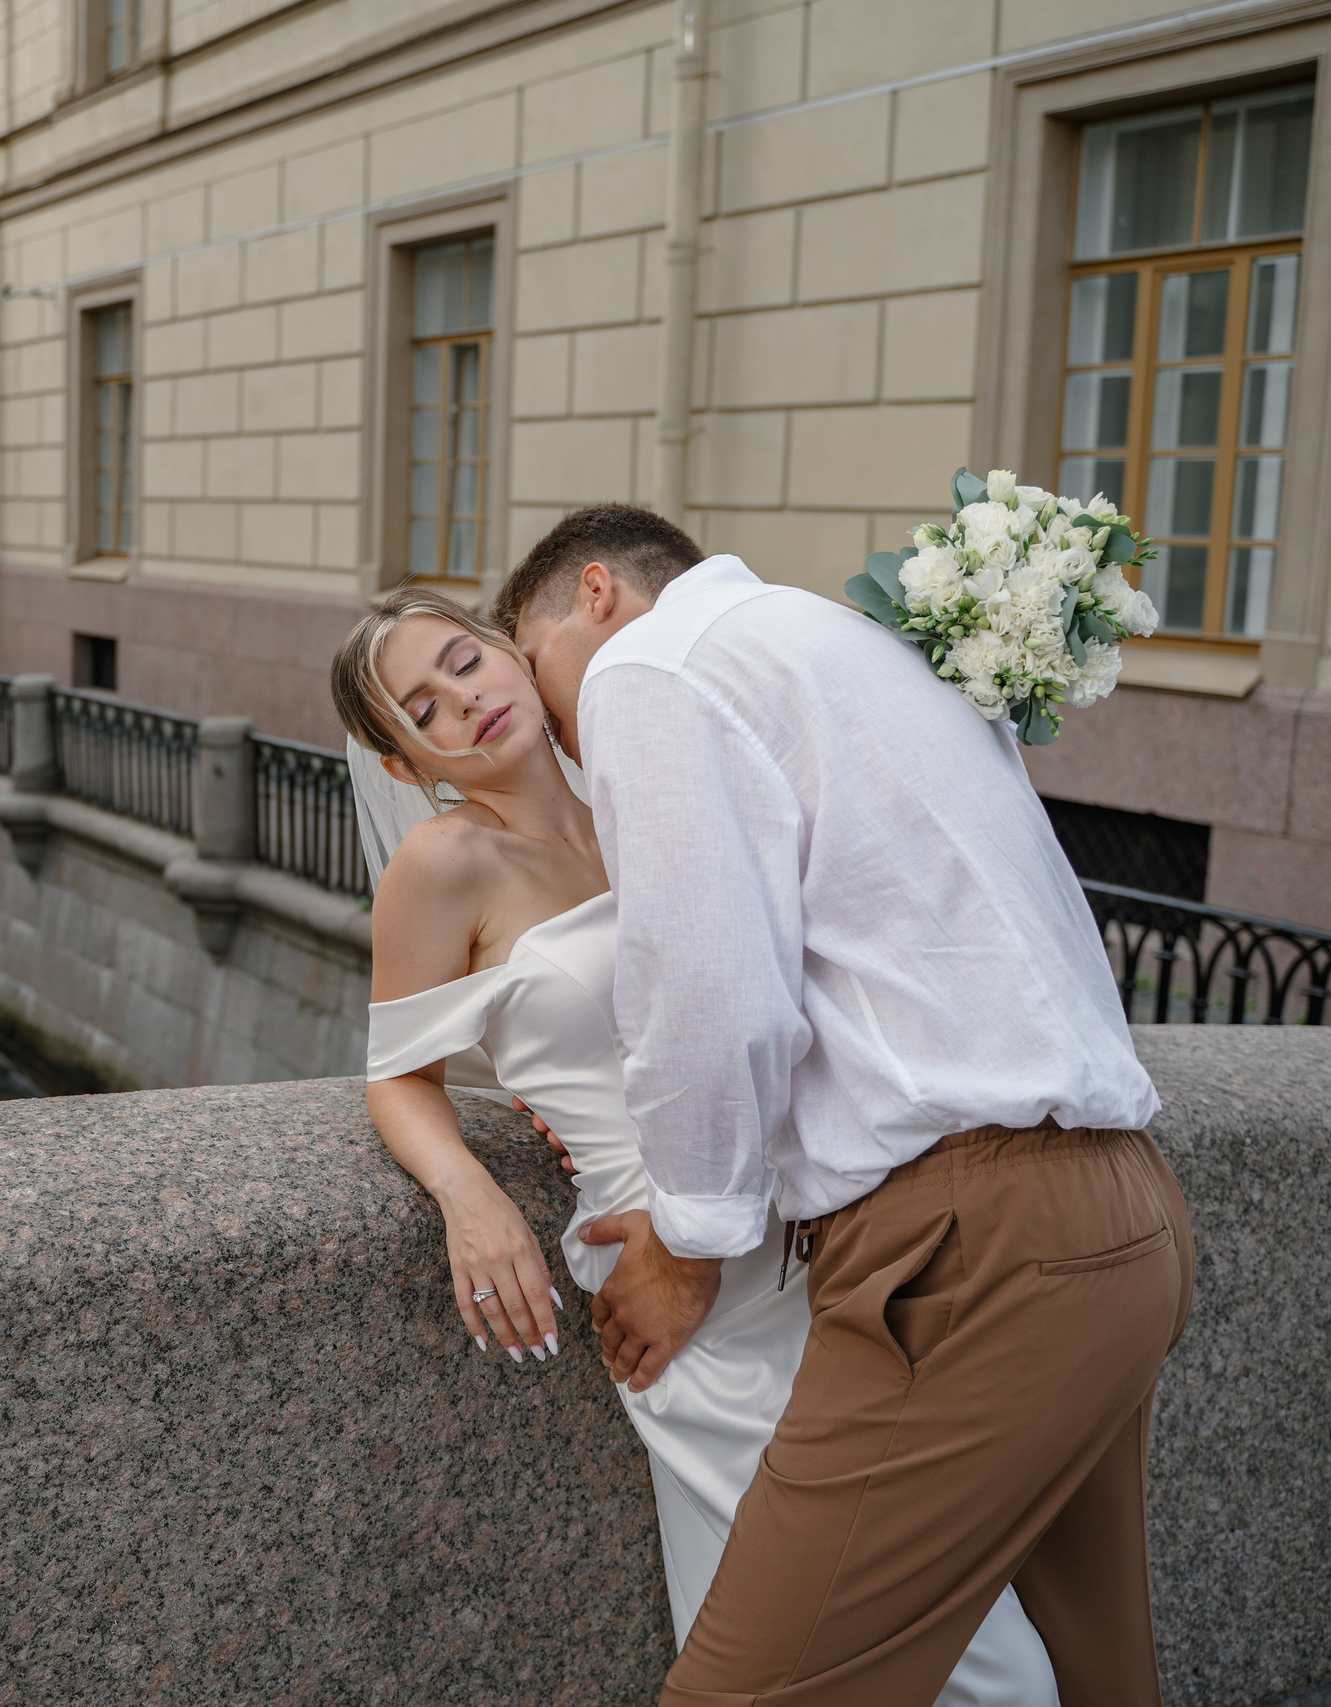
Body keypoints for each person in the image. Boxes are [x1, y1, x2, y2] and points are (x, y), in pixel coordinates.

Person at [499, 504, 1194, 1705]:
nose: (555, 729)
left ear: (596, 594)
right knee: (1096, 1666)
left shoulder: (650, 663)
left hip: (971, 1250)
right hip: (1121, 1209)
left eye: (533, 667)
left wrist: (688, 1243)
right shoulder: (846, 642)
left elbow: (708, 984)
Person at [336, 581, 1058, 1703]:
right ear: (403, 763)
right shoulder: (446, 862)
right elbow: (397, 1076)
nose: (461, 701)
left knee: (888, 1599)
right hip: (670, 1277)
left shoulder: (642, 793)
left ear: (508, 652)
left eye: (463, 663)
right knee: (898, 1628)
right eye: (421, 710)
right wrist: (468, 1196)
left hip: (822, 1233)